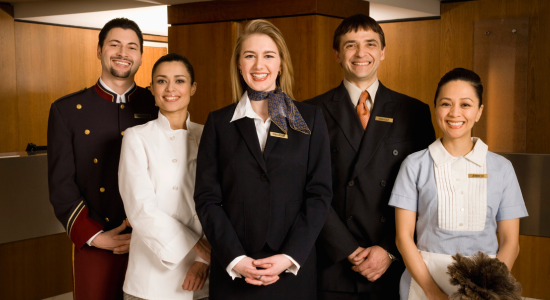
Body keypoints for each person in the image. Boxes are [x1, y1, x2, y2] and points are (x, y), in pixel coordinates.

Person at [194, 19, 332, 300]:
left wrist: (289, 257)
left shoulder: (310, 120)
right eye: (250, 56)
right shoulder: (219, 123)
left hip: (292, 269)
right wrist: (235, 259)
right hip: (235, 270)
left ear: (281, 64)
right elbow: (207, 199)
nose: (259, 65)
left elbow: (319, 195)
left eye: (268, 55)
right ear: (239, 64)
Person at [304, 14, 435, 299]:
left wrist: (389, 249)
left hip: (394, 264)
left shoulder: (414, 111)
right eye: (350, 45)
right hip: (333, 264)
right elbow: (305, 189)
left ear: (383, 52)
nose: (361, 53)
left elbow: (424, 192)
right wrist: (346, 249)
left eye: (371, 44)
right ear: (337, 55)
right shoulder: (309, 112)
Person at [389, 68, 528, 300]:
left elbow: (511, 242)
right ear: (435, 108)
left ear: (479, 112)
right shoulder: (414, 165)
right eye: (446, 104)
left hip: (487, 286)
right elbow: (403, 238)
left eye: (465, 104)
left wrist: (488, 290)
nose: (455, 113)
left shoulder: (502, 168)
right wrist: (433, 292)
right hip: (425, 284)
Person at [47, 18, 158, 300]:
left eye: (132, 47)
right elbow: (61, 185)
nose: (123, 53)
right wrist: (96, 236)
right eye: (114, 45)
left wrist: (149, 232)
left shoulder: (156, 104)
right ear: (99, 50)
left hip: (151, 241)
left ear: (141, 56)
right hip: (96, 239)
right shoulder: (67, 110)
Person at [118, 53, 210, 300]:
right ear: (152, 89)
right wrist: (198, 247)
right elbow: (140, 209)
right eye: (161, 81)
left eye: (179, 80)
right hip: (151, 279)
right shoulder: (136, 137)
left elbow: (222, 201)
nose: (170, 88)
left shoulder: (209, 136)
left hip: (204, 275)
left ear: (193, 88)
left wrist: (203, 259)